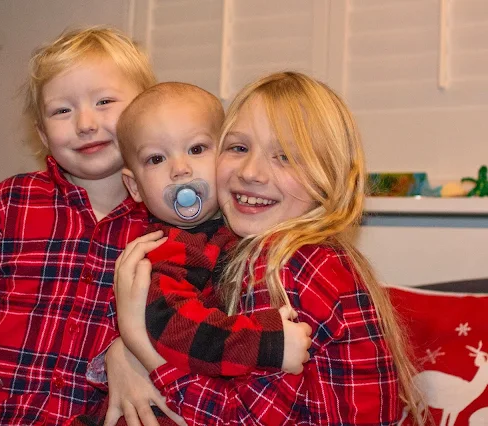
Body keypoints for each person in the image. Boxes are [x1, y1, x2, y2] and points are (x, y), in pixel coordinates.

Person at [113, 72, 425, 425]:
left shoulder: (284, 266)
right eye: (239, 148)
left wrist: (140, 344)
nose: (251, 172)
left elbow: (240, 419)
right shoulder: (281, 252)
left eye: (286, 157)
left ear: (330, 179)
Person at [0, 26, 180, 426]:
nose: (85, 123)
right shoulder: (11, 201)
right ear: (41, 133)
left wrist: (131, 353)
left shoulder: (166, 228)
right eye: (62, 110)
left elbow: (183, 321)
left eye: (105, 101)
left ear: (145, 113)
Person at [70, 82, 312, 426]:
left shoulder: (233, 231)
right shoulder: (167, 247)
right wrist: (267, 343)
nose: (180, 169)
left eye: (197, 149)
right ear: (135, 186)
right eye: (156, 158)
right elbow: (174, 326)